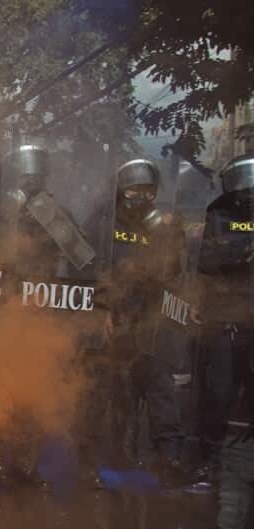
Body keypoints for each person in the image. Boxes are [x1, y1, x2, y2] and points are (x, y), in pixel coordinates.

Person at [103, 157, 187, 477]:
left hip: (153, 319)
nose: (140, 197)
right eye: (133, 190)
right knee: (119, 391)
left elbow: (175, 270)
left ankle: (168, 456)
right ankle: (118, 454)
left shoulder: (164, 224)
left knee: (159, 388)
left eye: (147, 191)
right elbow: (94, 269)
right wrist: (102, 311)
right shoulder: (106, 221)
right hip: (119, 315)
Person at [195, 153, 254, 481]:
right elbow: (207, 258)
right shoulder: (218, 212)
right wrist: (241, 254)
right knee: (217, 393)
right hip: (226, 320)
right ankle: (209, 459)